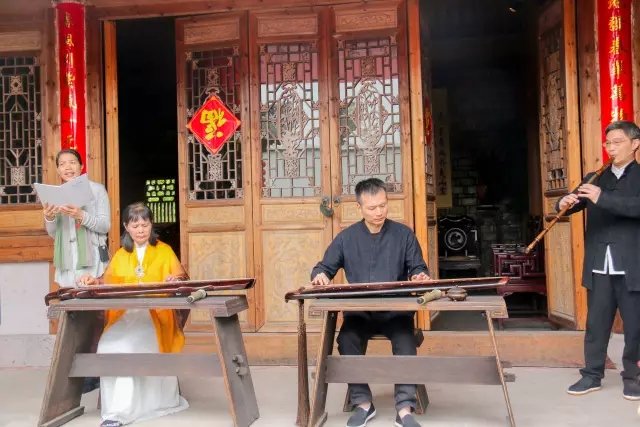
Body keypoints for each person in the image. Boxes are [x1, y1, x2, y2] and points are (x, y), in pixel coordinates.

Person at [310, 178, 430, 427]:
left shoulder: (403, 234)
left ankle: (404, 409)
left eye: (383, 205)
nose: (379, 212)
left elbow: (418, 267)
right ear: (359, 208)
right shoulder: (346, 238)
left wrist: (419, 276)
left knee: (405, 341)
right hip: (360, 311)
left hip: (396, 311)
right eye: (372, 207)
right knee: (347, 340)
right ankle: (364, 404)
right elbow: (323, 267)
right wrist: (320, 276)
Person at [77, 202, 190, 427]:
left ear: (151, 225)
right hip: (125, 315)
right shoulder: (121, 254)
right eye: (135, 225)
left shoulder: (164, 250)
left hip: (154, 317)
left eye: (145, 225)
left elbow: (182, 279)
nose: (140, 230)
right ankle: (112, 408)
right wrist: (92, 281)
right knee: (107, 346)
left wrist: (174, 280)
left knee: (127, 347)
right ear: (126, 227)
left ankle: (119, 415)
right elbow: (107, 281)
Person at [559, 120, 640, 400]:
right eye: (608, 143)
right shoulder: (595, 177)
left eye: (617, 142)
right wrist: (564, 203)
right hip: (599, 262)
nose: (611, 148)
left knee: (635, 325)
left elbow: (635, 207)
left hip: (632, 264)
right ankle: (591, 375)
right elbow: (575, 202)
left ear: (635, 144)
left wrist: (601, 198)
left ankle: (633, 377)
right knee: (596, 324)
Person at [43, 148, 111, 394]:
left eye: (72, 162)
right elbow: (54, 234)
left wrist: (82, 215)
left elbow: (105, 225)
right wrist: (49, 218)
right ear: (58, 169)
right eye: (62, 164)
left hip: (92, 265)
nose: (68, 167)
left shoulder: (96, 190)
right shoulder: (54, 195)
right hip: (67, 266)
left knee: (96, 320)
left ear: (81, 166)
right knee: (73, 321)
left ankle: (96, 373)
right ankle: (76, 373)